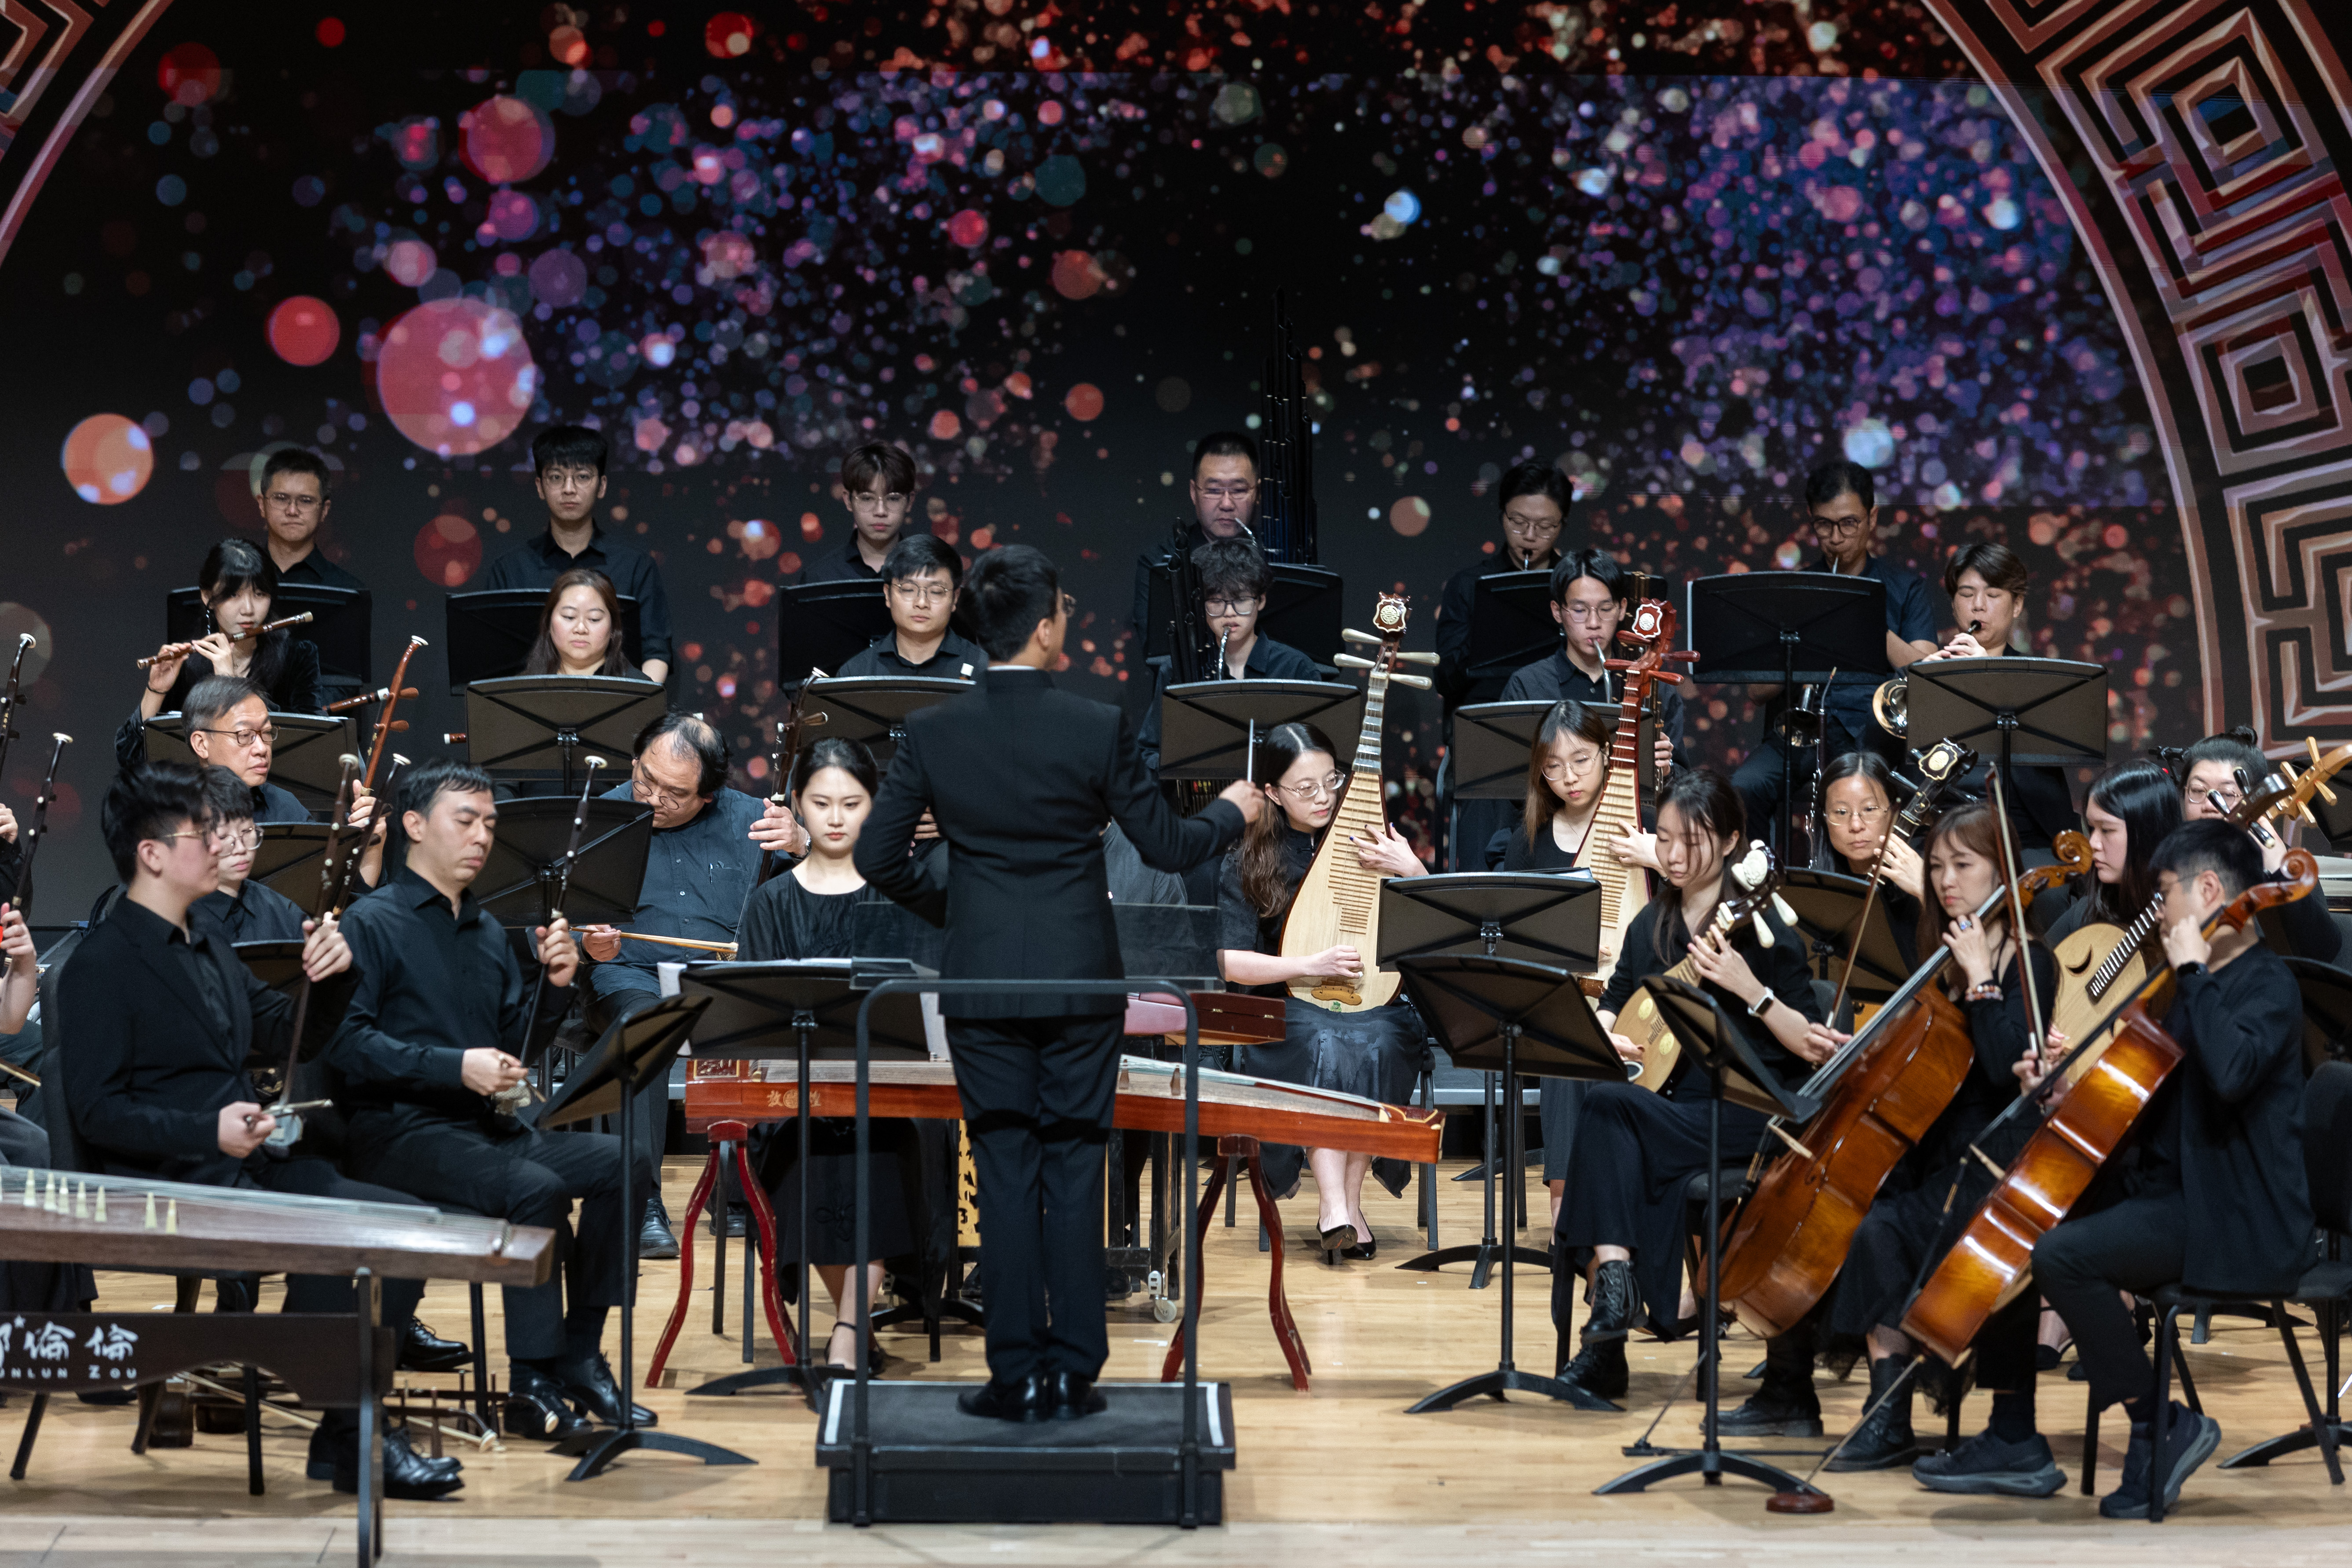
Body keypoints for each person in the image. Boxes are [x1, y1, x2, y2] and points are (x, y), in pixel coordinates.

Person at [855, 544, 1260, 1422]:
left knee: (1004, 1167)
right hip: (1080, 982)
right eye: (1063, 610)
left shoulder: (932, 730)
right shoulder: (1093, 724)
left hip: (982, 984)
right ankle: (1073, 1372)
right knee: (1075, 1166)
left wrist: (961, 908)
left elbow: (878, 857)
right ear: (1042, 629)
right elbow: (1167, 846)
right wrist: (1233, 810)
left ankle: (1013, 1375)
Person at [55, 762, 463, 1500]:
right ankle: (352, 1431)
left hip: (245, 1166)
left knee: (409, 1227)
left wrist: (333, 977)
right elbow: (98, 1113)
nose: (220, 846)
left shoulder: (205, 940)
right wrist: (206, 1130)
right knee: (347, 1238)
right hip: (172, 1183)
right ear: (152, 854)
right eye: (202, 834)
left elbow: (282, 1034)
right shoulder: (101, 963)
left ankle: (338, 1422)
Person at [325, 757, 657, 1444]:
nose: (482, 836)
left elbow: (512, 1047)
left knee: (623, 1161)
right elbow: (346, 1045)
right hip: (397, 1133)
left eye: (489, 823)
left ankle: (579, 1353)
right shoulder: (370, 921)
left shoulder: (485, 931)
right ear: (415, 825)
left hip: (480, 1129)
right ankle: (531, 1383)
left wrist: (556, 986)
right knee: (535, 1188)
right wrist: (456, 1068)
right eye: (465, 820)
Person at [1744, 804, 2056, 1481]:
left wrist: (1980, 978)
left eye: (1962, 865)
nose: (1945, 880)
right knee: (1857, 1217)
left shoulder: (2029, 960)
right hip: (1934, 1150)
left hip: (1992, 1161)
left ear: (2002, 872)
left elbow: (2003, 1068)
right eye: (1936, 866)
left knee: (1883, 1227)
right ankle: (1874, 1409)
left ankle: (1886, 1412)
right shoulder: (1944, 953)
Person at [2032, 819, 2311, 1518]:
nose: (2157, 912)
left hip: (2234, 1214)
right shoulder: (2199, 984)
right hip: (2180, 1191)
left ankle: (2158, 1424)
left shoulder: (2266, 985)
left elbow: (2229, 1075)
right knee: (2039, 1223)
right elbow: (2155, 1098)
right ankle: (2013, 1431)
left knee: (2062, 1257)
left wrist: (2190, 971)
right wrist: (2071, 1098)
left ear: (2208, 889)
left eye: (2165, 894)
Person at [1551, 769, 1823, 1397]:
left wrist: (1748, 989)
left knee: (1609, 1116)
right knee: (1609, 1107)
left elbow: (1810, 1043)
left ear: (1729, 842)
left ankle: (1608, 1322)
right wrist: (1606, 1036)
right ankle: (1613, 1307)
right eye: (1665, 838)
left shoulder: (1760, 927)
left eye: (1691, 842)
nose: (1672, 856)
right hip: (1671, 1110)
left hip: (1750, 1111)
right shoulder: (1650, 922)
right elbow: (1614, 1001)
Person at [736, 737, 936, 1372]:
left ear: (874, 807)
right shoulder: (769, 902)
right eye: (820, 803)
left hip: (889, 1090)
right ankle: (855, 1329)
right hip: (795, 1095)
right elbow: (752, 1021)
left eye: (852, 804)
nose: (834, 818)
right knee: (807, 1153)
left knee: (883, 1148)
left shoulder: (900, 895)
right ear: (797, 803)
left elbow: (922, 1011)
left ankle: (848, 1330)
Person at [576, 713, 803, 1257]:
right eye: (646, 779)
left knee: (774, 1018)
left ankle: (738, 1191)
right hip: (630, 973)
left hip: (722, 975)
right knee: (643, 1025)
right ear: (635, 761)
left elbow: (829, 884)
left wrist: (804, 844)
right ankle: (641, 1201)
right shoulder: (597, 819)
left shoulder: (753, 819)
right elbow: (558, 920)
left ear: (708, 795)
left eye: (675, 793)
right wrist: (587, 942)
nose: (653, 798)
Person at [1214, 721, 1428, 1256]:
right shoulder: (1250, 856)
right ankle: (1335, 1206)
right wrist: (1307, 965)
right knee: (1325, 1040)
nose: (1323, 797)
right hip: (1285, 1007)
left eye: (1332, 781)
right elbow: (1229, 962)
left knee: (1379, 1040)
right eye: (1305, 788)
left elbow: (1436, 932)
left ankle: (1346, 1207)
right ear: (1271, 792)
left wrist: (1412, 870)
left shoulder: (1374, 842)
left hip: (1376, 1003)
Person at [1494, 701, 1655, 1228]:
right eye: (1554, 766)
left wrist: (1657, 855)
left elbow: (1706, 897)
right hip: (1562, 997)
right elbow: (1506, 938)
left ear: (1608, 754)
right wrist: (1560, 947)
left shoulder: (1647, 827)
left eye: (1581, 760)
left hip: (1642, 996)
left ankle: (1622, 1208)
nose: (1569, 777)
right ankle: (1565, 1210)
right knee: (1572, 1041)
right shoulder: (1529, 842)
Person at [1730, 461, 1940, 849]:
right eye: (1823, 525)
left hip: (1875, 738)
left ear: (1871, 518)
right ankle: (1760, 878)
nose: (1835, 538)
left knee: (1866, 801)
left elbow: (1926, 676)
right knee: (1745, 786)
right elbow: (1758, 691)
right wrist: (1800, 633)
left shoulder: (1905, 588)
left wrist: (1863, 616)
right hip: (1802, 736)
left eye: (1848, 523)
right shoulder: (1794, 588)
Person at [1906, 541, 2073, 851]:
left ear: (2017, 605)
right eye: (1966, 594)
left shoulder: (2040, 678)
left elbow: (2044, 768)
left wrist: (1988, 676)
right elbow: (1876, 749)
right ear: (1953, 604)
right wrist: (1916, 685)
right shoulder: (1927, 672)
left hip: (2019, 835)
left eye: (1993, 595)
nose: (1978, 606)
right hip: (1937, 829)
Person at [485, 425, 672, 684]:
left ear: (602, 486)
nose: (569, 489)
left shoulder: (635, 566)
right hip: (528, 703)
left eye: (582, 477)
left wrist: (636, 701)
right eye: (556, 477)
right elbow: (493, 658)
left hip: (620, 703)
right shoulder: (510, 569)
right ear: (540, 486)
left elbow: (656, 652)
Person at [126, 538, 322, 768]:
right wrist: (156, 691)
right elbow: (130, 757)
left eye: (260, 594)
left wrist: (230, 682)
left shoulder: (298, 656)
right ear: (208, 597)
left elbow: (314, 749)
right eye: (234, 595)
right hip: (201, 788)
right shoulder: (186, 664)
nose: (248, 609)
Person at [1137, 534, 1324, 774]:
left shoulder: (1297, 668)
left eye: (1241, 600)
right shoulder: (1177, 670)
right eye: (1216, 602)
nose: (1229, 613)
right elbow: (1150, 752)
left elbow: (1319, 753)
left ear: (1261, 601)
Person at [1499, 550, 1681, 776]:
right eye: (1579, 610)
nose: (1593, 623)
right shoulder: (1527, 687)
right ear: (1557, 612)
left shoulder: (1655, 686)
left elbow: (1683, 779)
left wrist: (1667, 769)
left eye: (1605, 609)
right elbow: (1509, 778)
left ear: (1622, 608)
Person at [2175, 728, 2341, 961]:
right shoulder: (2168, 862)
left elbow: (2322, 952)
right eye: (2198, 791)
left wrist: (2279, 871)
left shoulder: (2288, 863)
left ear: (2256, 798)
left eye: (2227, 794)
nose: (2209, 805)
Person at [1434, 460, 1570, 710]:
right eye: (1518, 522)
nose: (1530, 535)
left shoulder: (1577, 586)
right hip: (1485, 718)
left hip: (1562, 719)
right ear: (1502, 516)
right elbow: (1445, 680)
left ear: (1562, 525)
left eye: (1545, 527)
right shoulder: (1468, 585)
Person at [249, 447, 365, 706]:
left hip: (320, 724)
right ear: (262, 505)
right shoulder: (235, 584)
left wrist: (299, 717)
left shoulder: (347, 592)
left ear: (324, 510)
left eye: (306, 501)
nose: (292, 510)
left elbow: (344, 683)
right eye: (281, 498)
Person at [1130, 429, 1261, 646]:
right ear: (1194, 492)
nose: (1226, 504)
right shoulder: (1162, 562)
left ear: (1257, 492)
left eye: (1238, 490)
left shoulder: (1278, 556)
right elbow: (1160, 651)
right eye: (1214, 490)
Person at [2045, 759, 2183, 951]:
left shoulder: (2180, 921)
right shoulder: (2086, 913)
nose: (2092, 844)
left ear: (2147, 833)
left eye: (2107, 830)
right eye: (2092, 828)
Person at [1814, 750, 1924, 974]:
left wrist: (1925, 890)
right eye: (1841, 812)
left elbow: (1971, 934)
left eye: (1869, 809)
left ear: (1895, 812)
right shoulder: (1818, 888)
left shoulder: (1925, 868)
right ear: (1824, 819)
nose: (1856, 825)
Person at [835, 534, 987, 678]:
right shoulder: (856, 673)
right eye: (908, 590)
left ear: (955, 598)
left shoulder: (983, 669)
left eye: (936, 592)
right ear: (888, 595)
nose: (922, 603)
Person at [192, 764, 309, 943]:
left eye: (247, 831)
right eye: (223, 837)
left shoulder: (282, 912)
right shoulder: (176, 915)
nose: (241, 849)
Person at [797, 442, 924, 584]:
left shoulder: (931, 575)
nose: (880, 512)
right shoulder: (819, 578)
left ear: (909, 502)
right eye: (867, 499)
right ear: (848, 501)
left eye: (893, 499)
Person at [521, 568, 642, 679]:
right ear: (548, 622)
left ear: (613, 627)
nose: (581, 629)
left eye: (594, 619)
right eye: (569, 617)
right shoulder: (522, 687)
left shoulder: (639, 688)